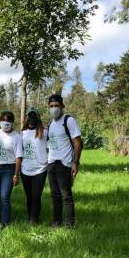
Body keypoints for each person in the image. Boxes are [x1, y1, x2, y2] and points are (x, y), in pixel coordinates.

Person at [47, 94, 83, 228]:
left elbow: (78, 142)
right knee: (55, 195)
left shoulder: (69, 120)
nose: (54, 108)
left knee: (66, 195)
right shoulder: (50, 123)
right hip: (51, 163)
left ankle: (69, 223)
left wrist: (76, 162)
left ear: (62, 106)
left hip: (64, 164)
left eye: (56, 105)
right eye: (51, 106)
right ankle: (56, 221)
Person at [0, 111, 22, 228]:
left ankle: (5, 222)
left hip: (9, 169)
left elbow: (18, 157)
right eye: (3, 120)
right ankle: (2, 215)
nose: (5, 122)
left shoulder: (17, 137)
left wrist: (16, 175)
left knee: (4, 196)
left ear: (12, 122)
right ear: (0, 121)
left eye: (8, 120)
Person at [21, 109, 48, 225]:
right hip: (25, 169)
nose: (31, 119)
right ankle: (30, 216)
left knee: (36, 195)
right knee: (29, 196)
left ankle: (34, 219)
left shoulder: (45, 132)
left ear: (38, 118)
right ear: (26, 119)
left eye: (34, 117)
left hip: (40, 169)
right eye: (29, 116)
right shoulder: (22, 134)